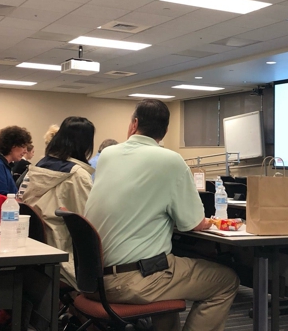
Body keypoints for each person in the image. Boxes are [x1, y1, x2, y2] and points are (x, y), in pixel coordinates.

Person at [85, 99, 239, 331]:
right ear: (165, 131)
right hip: (133, 280)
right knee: (226, 281)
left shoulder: (108, 155)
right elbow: (193, 223)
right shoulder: (171, 160)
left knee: (165, 266)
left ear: (133, 124)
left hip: (92, 276)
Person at [21, 117, 95, 289]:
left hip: (38, 251)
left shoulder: (40, 166)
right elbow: (88, 222)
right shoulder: (77, 175)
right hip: (63, 255)